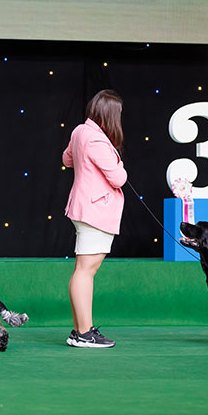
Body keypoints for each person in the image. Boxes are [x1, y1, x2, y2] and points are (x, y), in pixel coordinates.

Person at [62, 90, 127, 348]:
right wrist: (117, 163)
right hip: (95, 210)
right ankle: (84, 333)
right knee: (85, 271)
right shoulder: (97, 139)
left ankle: (80, 330)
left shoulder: (80, 131)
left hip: (85, 208)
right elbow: (119, 178)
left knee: (84, 269)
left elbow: (66, 159)